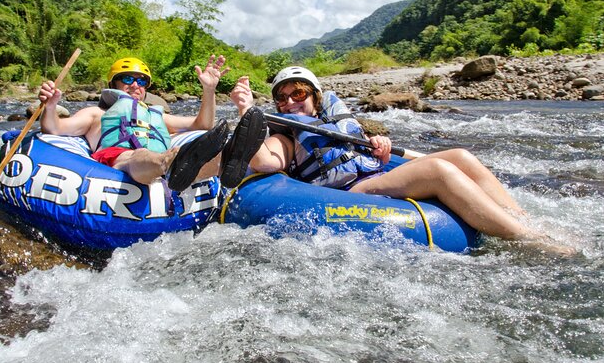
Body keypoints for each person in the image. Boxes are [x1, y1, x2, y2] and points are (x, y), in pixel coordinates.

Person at [230, 66, 575, 254]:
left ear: (316, 97)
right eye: (282, 97)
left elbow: (360, 150)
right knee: (439, 170)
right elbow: (266, 163)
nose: (290, 102)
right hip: (352, 191)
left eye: (298, 93)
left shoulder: (335, 121)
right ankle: (528, 242)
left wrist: (377, 145)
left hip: (370, 173)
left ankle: (523, 220)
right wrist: (247, 111)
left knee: (460, 156)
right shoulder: (285, 135)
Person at [39, 55, 267, 191]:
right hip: (118, 158)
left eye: (141, 81)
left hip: (163, 165)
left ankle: (228, 159)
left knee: (206, 151)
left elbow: (203, 124)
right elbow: (55, 128)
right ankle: (171, 162)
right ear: (113, 83)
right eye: (127, 79)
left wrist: (209, 90)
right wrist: (50, 106)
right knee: (135, 157)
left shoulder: (156, 115)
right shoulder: (96, 113)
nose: (135, 85)